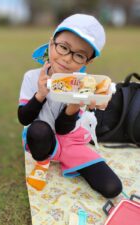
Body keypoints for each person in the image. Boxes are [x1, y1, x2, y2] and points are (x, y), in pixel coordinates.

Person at [18, 14, 122, 198]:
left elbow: (62, 129)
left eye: (79, 55)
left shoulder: (85, 84)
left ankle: (65, 158)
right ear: (52, 43)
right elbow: (24, 118)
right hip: (40, 138)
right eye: (63, 47)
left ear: (88, 61)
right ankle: (43, 160)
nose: (67, 58)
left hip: (69, 140)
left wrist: (75, 104)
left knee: (112, 187)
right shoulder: (32, 77)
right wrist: (40, 94)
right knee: (39, 130)